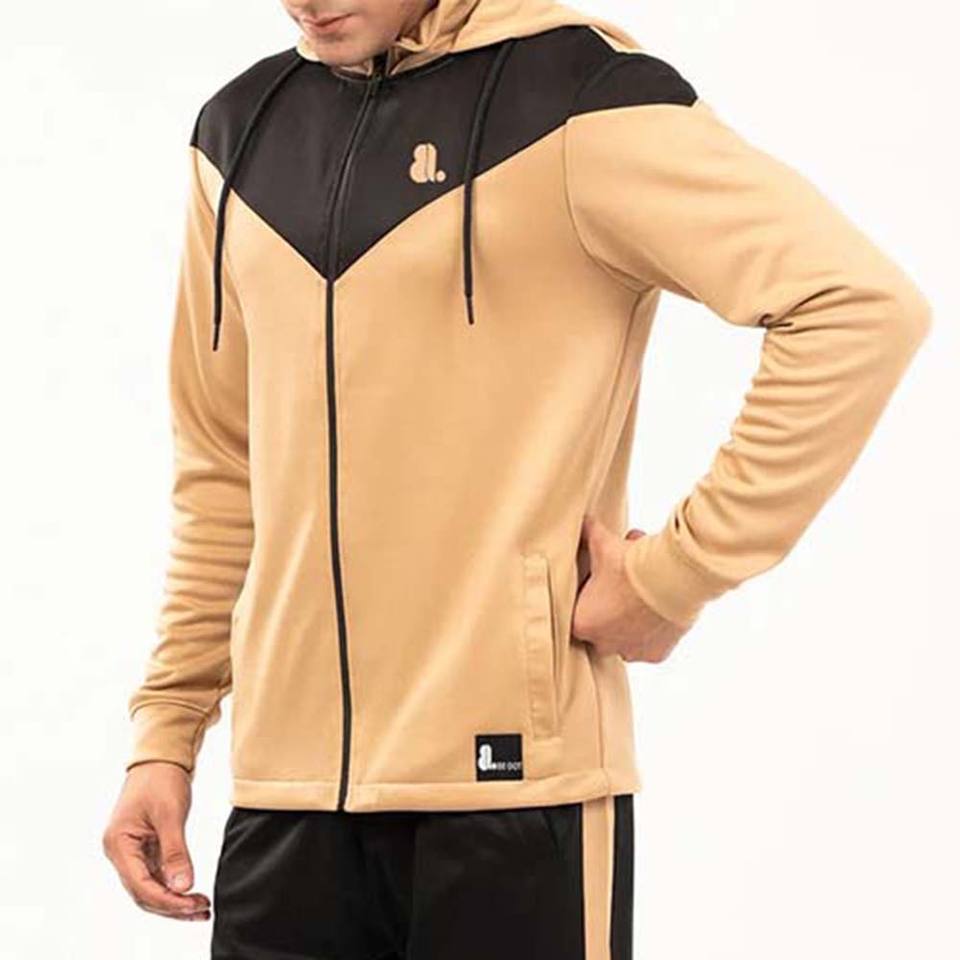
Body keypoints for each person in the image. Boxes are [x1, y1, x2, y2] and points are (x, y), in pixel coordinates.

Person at [101, 0, 932, 956]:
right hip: (286, 805)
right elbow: (225, 467)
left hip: (517, 801)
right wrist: (167, 733)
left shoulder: (580, 102)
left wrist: (676, 574)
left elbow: (857, 308)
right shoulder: (238, 134)